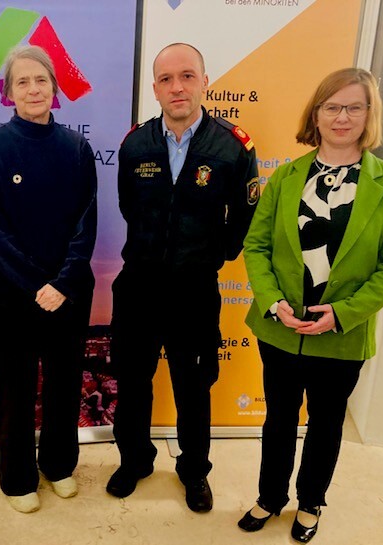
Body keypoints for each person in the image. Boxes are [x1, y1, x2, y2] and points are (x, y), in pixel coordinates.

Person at [238, 68, 383, 543]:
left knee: (326, 424)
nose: (342, 117)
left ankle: (311, 501)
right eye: (332, 106)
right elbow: (256, 246)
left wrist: (342, 313)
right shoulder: (286, 177)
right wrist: (273, 302)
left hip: (341, 336)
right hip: (281, 329)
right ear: (315, 114)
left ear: (370, 115)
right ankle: (270, 497)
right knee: (278, 419)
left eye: (354, 107)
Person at [107, 42, 259, 512]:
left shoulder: (232, 146)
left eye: (187, 76)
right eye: (167, 79)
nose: (177, 87)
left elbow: (245, 216)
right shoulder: (135, 144)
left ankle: (194, 470)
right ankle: (135, 461)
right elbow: (128, 206)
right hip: (139, 286)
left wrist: (213, 254)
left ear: (204, 82)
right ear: (154, 88)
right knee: (132, 381)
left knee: (193, 386)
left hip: (194, 290)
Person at [0, 45, 97, 514]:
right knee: (14, 388)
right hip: (10, 294)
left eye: (41, 79)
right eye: (22, 82)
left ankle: (59, 465)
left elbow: (87, 222)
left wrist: (61, 283)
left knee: (64, 384)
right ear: (8, 93)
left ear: (54, 87)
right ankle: (18, 478)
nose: (33, 89)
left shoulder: (76, 148)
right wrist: (34, 285)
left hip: (68, 292)